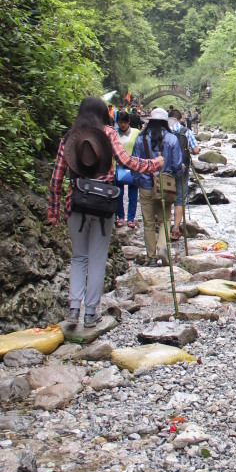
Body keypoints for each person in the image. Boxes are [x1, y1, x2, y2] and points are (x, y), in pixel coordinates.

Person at [48, 96, 163, 328]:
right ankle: (90, 313)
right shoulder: (108, 134)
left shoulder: (69, 138)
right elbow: (127, 161)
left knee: (79, 257)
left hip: (76, 203)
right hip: (103, 204)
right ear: (103, 114)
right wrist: (154, 164)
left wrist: (54, 211)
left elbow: (56, 179)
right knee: (97, 259)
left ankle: (73, 309)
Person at [131, 108, 183, 265]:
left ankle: (151, 257)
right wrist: (180, 172)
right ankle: (162, 247)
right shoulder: (172, 139)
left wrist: (136, 180)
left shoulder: (141, 139)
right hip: (165, 185)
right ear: (166, 122)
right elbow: (176, 165)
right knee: (165, 219)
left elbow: (134, 163)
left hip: (145, 184)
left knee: (148, 222)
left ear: (150, 121)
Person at [167, 108, 200, 242]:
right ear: (181, 119)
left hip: (166, 169)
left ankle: (164, 225)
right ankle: (175, 229)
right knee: (180, 198)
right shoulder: (186, 132)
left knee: (166, 195)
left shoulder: (164, 132)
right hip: (182, 168)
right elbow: (196, 150)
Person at [113, 110, 140, 229]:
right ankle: (120, 216)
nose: (122, 125)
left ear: (128, 122)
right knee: (118, 193)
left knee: (133, 194)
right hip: (118, 167)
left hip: (133, 166)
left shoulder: (136, 132)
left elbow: (140, 148)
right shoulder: (113, 133)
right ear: (117, 122)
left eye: (124, 122)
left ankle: (131, 219)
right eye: (120, 122)